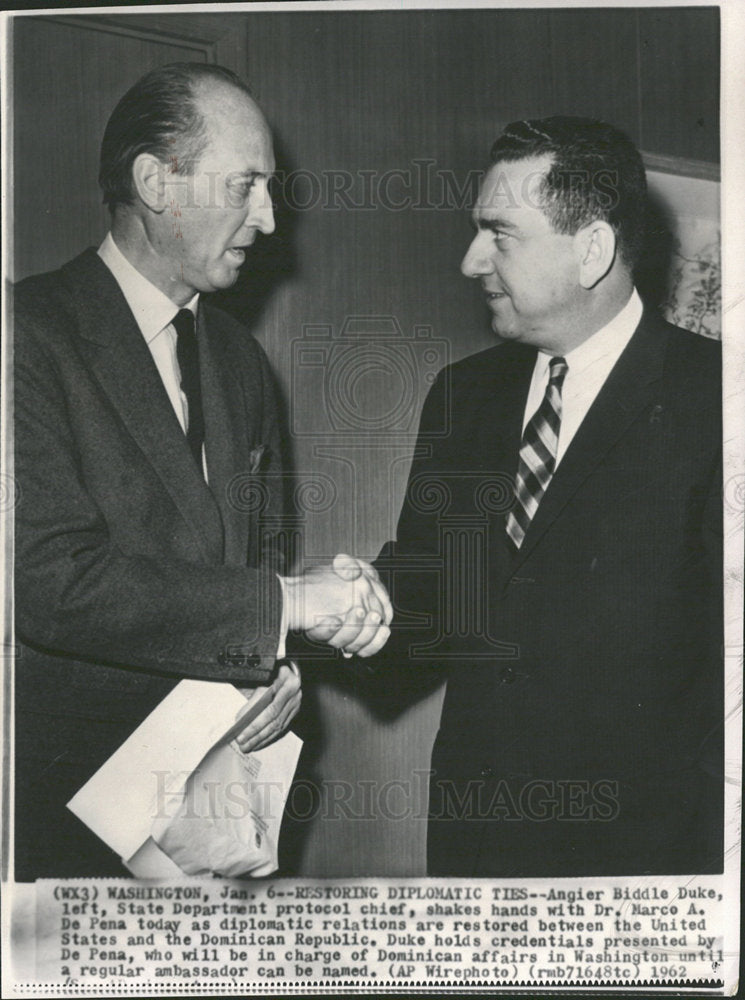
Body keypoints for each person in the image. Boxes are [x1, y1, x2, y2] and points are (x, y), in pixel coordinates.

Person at [13, 62, 390, 879]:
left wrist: (278, 667)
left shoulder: (240, 361)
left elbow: (244, 581)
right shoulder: (26, 333)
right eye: (245, 184)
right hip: (59, 829)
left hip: (208, 826)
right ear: (156, 182)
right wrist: (286, 605)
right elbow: (45, 580)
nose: (267, 215)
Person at [363, 116, 722, 877]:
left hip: (645, 867)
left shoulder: (718, 398)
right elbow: (433, 599)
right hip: (477, 849)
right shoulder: (461, 396)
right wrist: (328, 610)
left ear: (591, 250)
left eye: (499, 233)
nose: (469, 261)